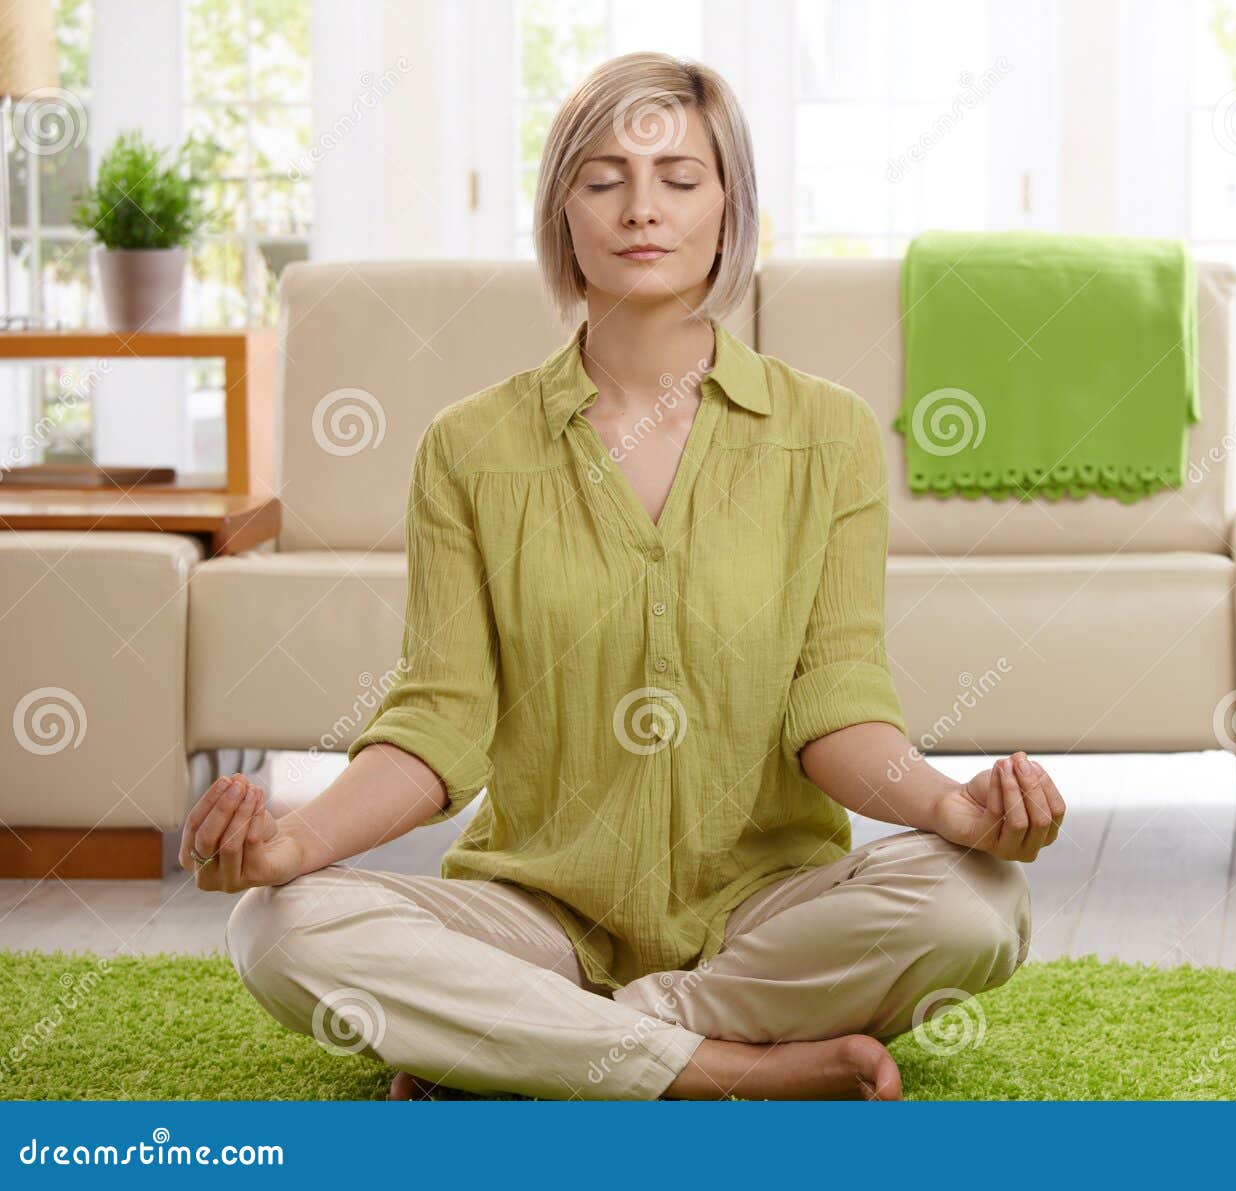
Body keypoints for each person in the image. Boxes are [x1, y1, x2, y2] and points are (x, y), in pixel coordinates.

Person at [189, 51, 1064, 1102]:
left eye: (679, 180)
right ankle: (719, 1067)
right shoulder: (470, 447)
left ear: (729, 206)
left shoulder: (825, 434)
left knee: (976, 905)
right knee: (279, 928)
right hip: (534, 917)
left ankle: (532, 1050)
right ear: (563, 210)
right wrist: (291, 844)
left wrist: (954, 811)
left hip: (766, 916)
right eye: (603, 179)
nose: (641, 209)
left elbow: (837, 709)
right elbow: (437, 724)